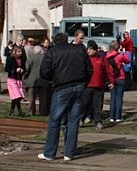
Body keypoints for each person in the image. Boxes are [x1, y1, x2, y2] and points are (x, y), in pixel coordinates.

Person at [38, 33, 93, 161]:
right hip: (79, 86)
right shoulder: (80, 49)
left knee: (55, 120)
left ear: (55, 41)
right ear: (67, 40)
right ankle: (69, 153)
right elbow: (89, 68)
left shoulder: (52, 51)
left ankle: (50, 153)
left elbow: (44, 71)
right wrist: (84, 82)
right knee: (74, 121)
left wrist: (52, 79)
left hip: (61, 87)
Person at [80, 40, 114, 130]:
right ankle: (81, 119)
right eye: (88, 49)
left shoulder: (102, 59)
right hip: (87, 85)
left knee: (98, 105)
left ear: (95, 50)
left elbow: (108, 71)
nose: (88, 51)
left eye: (91, 49)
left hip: (99, 86)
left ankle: (98, 121)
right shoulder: (85, 59)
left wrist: (111, 81)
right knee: (84, 104)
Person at [106, 40, 130, 122]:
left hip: (111, 78)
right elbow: (128, 60)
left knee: (112, 97)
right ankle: (118, 117)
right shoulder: (120, 56)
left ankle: (111, 117)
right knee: (119, 98)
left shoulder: (107, 56)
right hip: (120, 77)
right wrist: (123, 52)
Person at [24, 45, 49, 116]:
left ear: (34, 51)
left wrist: (25, 77)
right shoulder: (44, 59)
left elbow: (27, 69)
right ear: (41, 51)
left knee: (32, 97)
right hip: (43, 80)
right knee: (42, 97)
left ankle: (32, 112)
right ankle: (42, 112)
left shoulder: (30, 58)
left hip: (32, 80)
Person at [5, 46, 26, 116]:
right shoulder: (10, 59)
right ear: (15, 52)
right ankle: (20, 111)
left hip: (19, 79)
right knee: (17, 95)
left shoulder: (22, 59)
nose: (20, 53)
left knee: (16, 96)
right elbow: (6, 69)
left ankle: (11, 111)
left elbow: (24, 68)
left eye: (21, 51)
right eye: (19, 51)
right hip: (12, 79)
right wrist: (14, 70)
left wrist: (22, 71)